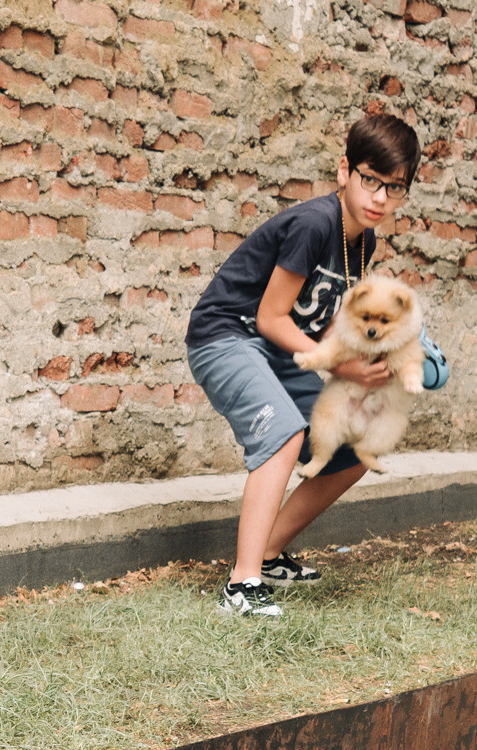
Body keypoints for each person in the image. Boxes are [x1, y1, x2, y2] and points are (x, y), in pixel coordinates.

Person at [184, 112, 442, 617]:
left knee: (354, 445)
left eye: (394, 188)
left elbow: (323, 322)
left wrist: (377, 358)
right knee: (286, 432)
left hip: (277, 349)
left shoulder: (363, 242)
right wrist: (340, 370)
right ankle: (241, 585)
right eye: (370, 180)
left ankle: (267, 552)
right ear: (344, 171)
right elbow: (270, 316)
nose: (380, 198)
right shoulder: (314, 223)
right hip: (227, 337)